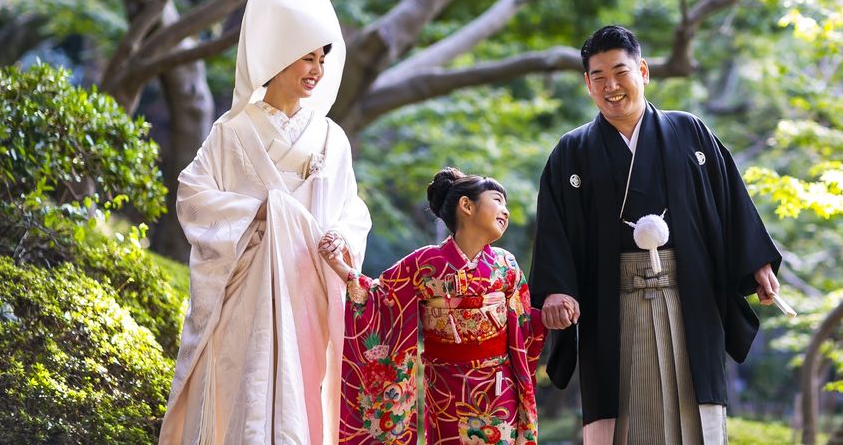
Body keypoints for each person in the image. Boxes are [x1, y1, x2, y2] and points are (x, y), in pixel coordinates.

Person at [530, 24, 784, 445]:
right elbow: (554, 229)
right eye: (599, 77)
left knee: (694, 416)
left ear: (643, 71)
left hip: (689, 295)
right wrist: (557, 289)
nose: (611, 86)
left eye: (621, 71)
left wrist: (756, 262)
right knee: (621, 418)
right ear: (587, 85)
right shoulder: (571, 152)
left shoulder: (691, 133)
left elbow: (730, 202)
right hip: (610, 302)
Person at [159, 0, 372, 445]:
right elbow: (193, 195)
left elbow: (350, 210)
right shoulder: (231, 131)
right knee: (243, 389)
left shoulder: (330, 137)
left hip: (307, 283)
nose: (317, 70)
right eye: (306, 58)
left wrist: (340, 233)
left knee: (302, 394)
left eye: (322, 58)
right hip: (246, 285)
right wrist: (261, 211)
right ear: (277, 56)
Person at [320, 167, 545, 445]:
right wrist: (339, 265)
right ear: (466, 206)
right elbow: (380, 297)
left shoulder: (506, 265)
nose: (506, 211)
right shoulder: (425, 263)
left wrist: (549, 317)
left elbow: (524, 325)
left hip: (498, 387)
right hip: (446, 388)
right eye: (498, 200)